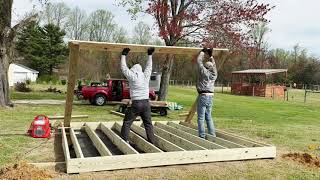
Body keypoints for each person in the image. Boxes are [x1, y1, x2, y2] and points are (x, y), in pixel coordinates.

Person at [120, 47, 156, 144]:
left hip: (136, 103)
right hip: (146, 103)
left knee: (127, 123)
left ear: (133, 70)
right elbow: (149, 67)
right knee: (148, 124)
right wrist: (150, 55)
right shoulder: (145, 76)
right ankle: (152, 142)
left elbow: (124, 68)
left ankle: (124, 141)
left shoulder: (132, 76)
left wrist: (123, 55)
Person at [196, 48, 218, 138]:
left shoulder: (204, 72)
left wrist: (202, 52)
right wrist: (211, 56)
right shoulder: (214, 74)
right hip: (210, 97)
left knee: (201, 118)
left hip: (203, 96)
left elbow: (199, 61)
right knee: (208, 117)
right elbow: (214, 66)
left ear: (206, 67)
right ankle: (212, 135)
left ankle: (202, 136)